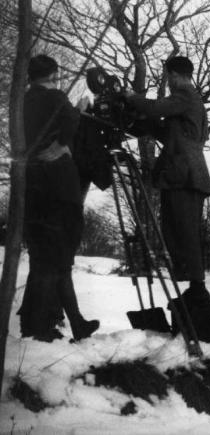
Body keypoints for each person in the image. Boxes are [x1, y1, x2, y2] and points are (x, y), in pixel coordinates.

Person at [18, 54, 100, 342]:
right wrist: (77, 112)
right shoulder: (53, 97)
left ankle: (74, 322)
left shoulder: (23, 101)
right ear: (53, 74)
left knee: (49, 258)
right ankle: (38, 328)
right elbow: (69, 120)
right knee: (59, 256)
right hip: (59, 185)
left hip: (34, 183)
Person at [126, 56, 210, 307]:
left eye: (168, 76)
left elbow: (156, 109)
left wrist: (130, 97)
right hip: (182, 173)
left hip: (185, 174)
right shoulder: (188, 103)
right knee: (175, 232)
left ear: (174, 74)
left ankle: (199, 291)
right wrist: (141, 123)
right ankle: (195, 288)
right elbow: (168, 133)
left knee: (185, 232)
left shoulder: (185, 94)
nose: (168, 81)